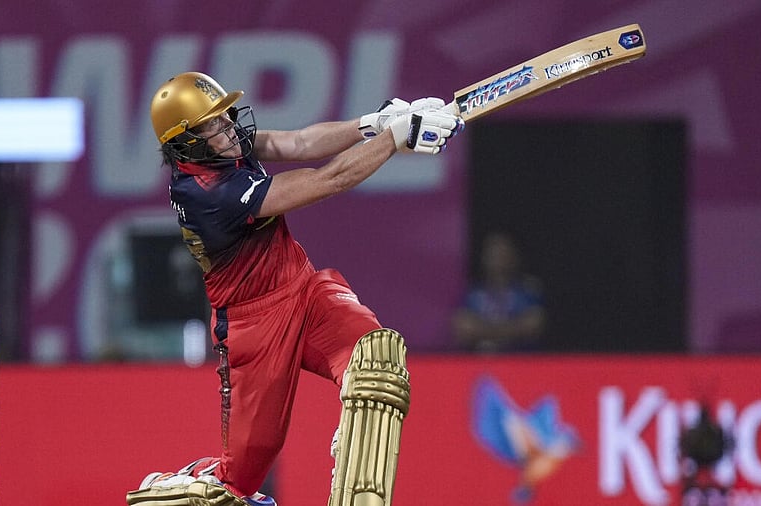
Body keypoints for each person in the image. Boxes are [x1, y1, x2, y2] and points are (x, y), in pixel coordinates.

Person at [125, 72, 463, 506]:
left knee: (374, 359)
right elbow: (329, 180)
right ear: (185, 140)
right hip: (253, 327)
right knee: (235, 485)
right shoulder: (208, 194)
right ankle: (184, 482)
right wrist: (396, 139)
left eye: (227, 116)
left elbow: (299, 143)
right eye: (214, 123)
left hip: (304, 292)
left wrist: (374, 122)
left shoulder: (224, 149)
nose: (229, 127)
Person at [452, 231, 546, 353]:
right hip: (481, 364)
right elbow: (463, 328)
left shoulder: (528, 291)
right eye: (494, 254)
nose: (499, 260)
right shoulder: (473, 294)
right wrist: (513, 330)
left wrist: (483, 331)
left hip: (521, 363)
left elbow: (534, 325)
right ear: (484, 258)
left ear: (514, 257)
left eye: (503, 254)